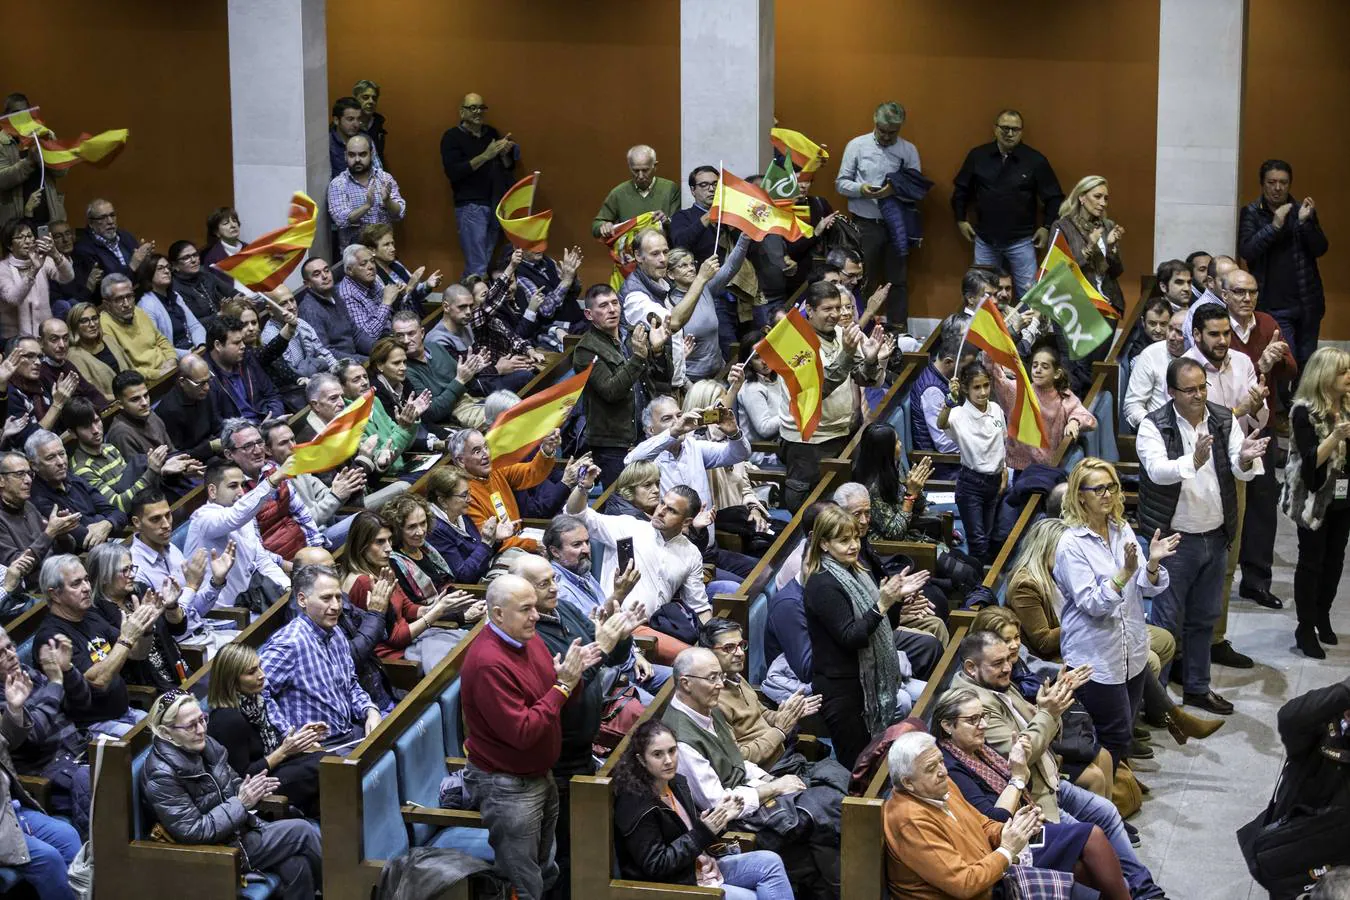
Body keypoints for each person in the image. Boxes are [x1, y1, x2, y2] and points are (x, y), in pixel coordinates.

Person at [953, 630, 1169, 899]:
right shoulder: (972, 704)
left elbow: (1037, 727)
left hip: (1049, 778)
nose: (1008, 667)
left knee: (1107, 812)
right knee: (1092, 838)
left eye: (1008, 659)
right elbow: (1020, 754)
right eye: (997, 663)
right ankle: (1131, 891)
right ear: (971, 668)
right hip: (1031, 796)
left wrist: (1045, 709)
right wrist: (1048, 713)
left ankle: (1145, 890)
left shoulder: (997, 684)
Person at [1006, 517, 1219, 749]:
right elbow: (1044, 640)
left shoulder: (1064, 570)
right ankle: (1141, 727)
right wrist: (1082, 618)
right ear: (1046, 549)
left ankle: (1143, 720)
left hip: (1106, 621)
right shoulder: (1026, 585)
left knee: (1160, 641)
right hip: (1059, 653)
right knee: (1144, 658)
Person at [1138, 353, 1268, 709]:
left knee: (1204, 619)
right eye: (1190, 389)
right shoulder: (1154, 425)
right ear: (1171, 392)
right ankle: (1156, 700)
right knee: (1166, 624)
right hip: (1174, 540)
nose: (1198, 395)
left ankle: (1197, 687)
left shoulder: (1224, 419)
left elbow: (1241, 468)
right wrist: (1191, 462)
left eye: (1202, 387)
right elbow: (1156, 470)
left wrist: (1245, 458)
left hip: (1215, 535)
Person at [460, 572, 600, 900]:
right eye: (526, 609)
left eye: (535, 608)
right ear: (497, 614)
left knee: (545, 870)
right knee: (523, 885)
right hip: (508, 787)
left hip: (540, 775)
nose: (536, 616)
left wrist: (573, 678)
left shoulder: (528, 639)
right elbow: (523, 732)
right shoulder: (488, 664)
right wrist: (563, 685)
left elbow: (553, 699)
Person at [930, 687, 1129, 900]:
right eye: (973, 720)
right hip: (1003, 843)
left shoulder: (978, 748)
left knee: (1085, 867)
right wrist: (1016, 778)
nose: (983, 725)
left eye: (984, 716)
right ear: (948, 725)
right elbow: (993, 818)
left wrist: (1021, 766)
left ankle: (1138, 889)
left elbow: (1027, 784)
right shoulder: (951, 768)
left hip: (1027, 822)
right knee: (1092, 835)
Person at [1051, 459, 1186, 767]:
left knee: (1123, 731)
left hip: (1131, 649)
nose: (1107, 494)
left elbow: (1146, 588)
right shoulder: (1071, 544)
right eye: (1098, 488)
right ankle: (1111, 799)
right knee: (1110, 736)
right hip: (1095, 657)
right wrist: (1123, 574)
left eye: (1111, 486)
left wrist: (1151, 565)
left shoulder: (1121, 528)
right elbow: (1092, 604)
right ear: (1080, 495)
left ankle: (1121, 788)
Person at [141, 690, 323, 900]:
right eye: (191, 725)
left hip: (238, 833)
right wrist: (241, 802)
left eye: (203, 720)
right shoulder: (160, 774)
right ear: (166, 732)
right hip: (214, 852)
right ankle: (343, 890)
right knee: (302, 830)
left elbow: (233, 782)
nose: (201, 730)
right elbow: (193, 830)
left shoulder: (206, 745)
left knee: (297, 866)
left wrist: (253, 789)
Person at [801, 504, 929, 768]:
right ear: (824, 544)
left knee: (877, 762)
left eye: (856, 538)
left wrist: (894, 601)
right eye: (844, 540)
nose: (854, 546)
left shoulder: (857, 572)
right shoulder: (822, 583)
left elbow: (885, 625)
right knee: (858, 767)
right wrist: (882, 604)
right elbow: (851, 637)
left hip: (866, 681)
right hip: (843, 690)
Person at [610, 719, 795, 899]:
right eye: (658, 754)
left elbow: (689, 832)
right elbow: (657, 865)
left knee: (770, 862)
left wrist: (720, 820)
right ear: (641, 760)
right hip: (673, 885)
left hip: (698, 866)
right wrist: (703, 832)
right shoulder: (635, 803)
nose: (668, 760)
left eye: (672, 751)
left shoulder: (675, 782)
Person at [881, 730, 1049, 900]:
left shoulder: (940, 786)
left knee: (1074, 878)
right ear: (908, 783)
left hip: (991, 881)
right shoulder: (910, 821)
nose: (943, 772)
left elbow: (982, 824)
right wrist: (1007, 850)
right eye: (931, 768)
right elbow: (965, 885)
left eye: (941, 761)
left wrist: (1013, 830)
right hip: (982, 890)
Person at [1218, 269, 1298, 612]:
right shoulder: (1217, 326)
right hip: (1225, 422)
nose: (1247, 298)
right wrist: (1258, 363)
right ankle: (1218, 579)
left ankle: (1257, 582)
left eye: (1252, 292)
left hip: (1259, 426)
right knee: (1223, 503)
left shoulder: (1267, 323)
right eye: (1239, 292)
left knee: (1263, 504)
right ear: (1224, 294)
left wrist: (1273, 362)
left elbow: (1291, 370)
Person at [780, 282, 888, 510]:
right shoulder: (792, 340)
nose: (835, 315)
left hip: (843, 434)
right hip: (808, 442)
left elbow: (863, 378)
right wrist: (847, 354)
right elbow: (818, 389)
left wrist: (870, 360)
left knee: (843, 508)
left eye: (838, 308)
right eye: (827, 309)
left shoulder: (842, 333)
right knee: (810, 510)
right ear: (809, 310)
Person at [260, 564, 381, 746]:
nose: (336, 606)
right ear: (302, 600)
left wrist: (370, 710)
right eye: (326, 598)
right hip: (319, 749)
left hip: (349, 733)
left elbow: (350, 684)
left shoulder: (336, 632)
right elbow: (258, 694)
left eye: (338, 597)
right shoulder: (288, 643)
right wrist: (289, 736)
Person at [33, 554, 153, 737]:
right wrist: (127, 638)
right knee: (160, 739)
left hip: (125, 712)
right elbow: (97, 681)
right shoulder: (52, 639)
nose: (87, 588)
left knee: (174, 727)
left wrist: (146, 628)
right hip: (91, 728)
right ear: (54, 594)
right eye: (76, 584)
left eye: (87, 580)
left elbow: (138, 653)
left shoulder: (90, 615)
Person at [1281, 347, 1350, 658]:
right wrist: (1335, 436)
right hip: (1312, 498)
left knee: (1335, 561)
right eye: (1343, 371)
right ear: (1325, 376)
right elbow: (1310, 464)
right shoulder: (1303, 411)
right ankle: (1304, 627)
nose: (1349, 377)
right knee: (1311, 563)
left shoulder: (1349, 406)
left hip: (1343, 497)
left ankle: (1323, 613)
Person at [342, 511, 474, 672]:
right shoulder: (362, 582)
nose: (389, 548)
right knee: (465, 659)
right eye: (380, 542)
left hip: (412, 642)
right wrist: (436, 613)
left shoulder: (383, 567)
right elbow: (395, 638)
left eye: (389, 540)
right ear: (361, 545)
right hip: (396, 660)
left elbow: (407, 607)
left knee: (471, 643)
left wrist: (435, 606)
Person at [951, 109, 1064, 297]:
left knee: (1030, 296)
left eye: (1015, 129)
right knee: (981, 295)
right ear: (995, 129)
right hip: (985, 239)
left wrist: (1046, 227)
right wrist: (960, 220)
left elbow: (1055, 197)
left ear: (1021, 132)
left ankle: (1026, 327)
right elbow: (961, 190)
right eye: (1005, 128)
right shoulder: (978, 156)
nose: (1009, 134)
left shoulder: (1035, 160)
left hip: (1022, 241)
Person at [205, 643, 324, 819]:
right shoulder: (228, 720)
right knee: (325, 766)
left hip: (270, 773)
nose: (262, 675)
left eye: (260, 667)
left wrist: (298, 740)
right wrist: (284, 751)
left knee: (328, 760)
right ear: (232, 680)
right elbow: (242, 776)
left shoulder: (254, 703)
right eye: (251, 672)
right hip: (254, 789)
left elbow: (268, 749)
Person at [575, 283, 675, 486]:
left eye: (614, 303)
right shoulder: (585, 349)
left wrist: (657, 352)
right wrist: (638, 357)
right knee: (621, 502)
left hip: (645, 433)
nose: (612, 309)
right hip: (614, 444)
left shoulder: (632, 335)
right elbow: (611, 391)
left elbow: (662, 378)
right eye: (603, 306)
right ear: (589, 314)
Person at [0, 655, 82, 900]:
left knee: (68, 837)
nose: (11, 655)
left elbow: (8, 741)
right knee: (49, 858)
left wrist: (14, 710)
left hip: (9, 811)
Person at [1238, 159, 1328, 374]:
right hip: (1274, 305)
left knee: (1308, 364)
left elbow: (1320, 248)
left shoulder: (1302, 210)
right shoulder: (1252, 212)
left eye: (1283, 183)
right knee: (1288, 362)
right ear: (1263, 184)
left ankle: (1301, 407)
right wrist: (1275, 226)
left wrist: (1305, 223)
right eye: (1272, 182)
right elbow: (1247, 251)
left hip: (1307, 303)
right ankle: (1285, 406)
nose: (1278, 188)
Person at [836, 101, 920, 323]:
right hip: (865, 224)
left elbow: (916, 188)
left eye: (892, 132)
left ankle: (898, 330)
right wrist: (861, 189)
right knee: (863, 279)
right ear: (874, 120)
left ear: (900, 127)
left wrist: (896, 189)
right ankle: (859, 327)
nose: (886, 136)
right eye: (882, 130)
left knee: (898, 280)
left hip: (897, 225)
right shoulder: (857, 146)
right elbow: (841, 184)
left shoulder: (907, 150)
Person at [701, 617, 821, 770]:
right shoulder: (712, 701)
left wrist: (788, 714)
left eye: (741, 645)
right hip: (766, 774)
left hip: (784, 757)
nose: (739, 653)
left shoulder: (735, 677)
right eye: (729, 647)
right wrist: (779, 731)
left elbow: (761, 713)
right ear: (708, 653)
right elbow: (738, 759)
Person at [129, 488, 238, 656]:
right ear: (137, 522)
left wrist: (216, 582)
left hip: (206, 633)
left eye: (168, 515)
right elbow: (171, 628)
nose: (166, 524)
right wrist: (192, 586)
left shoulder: (171, 549)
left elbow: (195, 610)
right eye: (156, 519)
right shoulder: (135, 569)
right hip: (186, 651)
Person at [185, 461, 291, 612]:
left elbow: (262, 561)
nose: (241, 492)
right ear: (212, 491)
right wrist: (272, 481)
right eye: (233, 486)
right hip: (219, 616)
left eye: (242, 485)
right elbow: (232, 518)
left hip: (252, 604)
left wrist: (287, 588)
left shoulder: (244, 518)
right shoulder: (202, 518)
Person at [86, 541, 188, 692]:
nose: (132, 575)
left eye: (132, 567)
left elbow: (178, 629)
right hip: (146, 686)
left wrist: (172, 606)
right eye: (125, 570)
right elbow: (131, 656)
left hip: (178, 670)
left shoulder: (140, 590)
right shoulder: (96, 614)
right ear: (105, 576)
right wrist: (144, 628)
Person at [938, 359, 1007, 564]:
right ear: (966, 390)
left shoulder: (995, 409)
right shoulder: (958, 414)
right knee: (978, 543)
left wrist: (1003, 471)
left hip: (994, 483)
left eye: (986, 385)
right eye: (977, 387)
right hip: (971, 485)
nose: (983, 392)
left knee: (988, 537)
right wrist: (950, 400)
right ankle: (977, 590)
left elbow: (1001, 442)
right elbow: (941, 423)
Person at [440, 92, 516, 276]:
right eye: (472, 108)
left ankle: (467, 300)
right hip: (471, 206)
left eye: (481, 108)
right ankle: (467, 303)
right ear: (462, 112)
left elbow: (507, 166)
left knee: (484, 261)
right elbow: (454, 172)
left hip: (495, 203)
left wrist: (505, 152)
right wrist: (486, 155)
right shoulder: (451, 137)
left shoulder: (491, 133)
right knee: (478, 265)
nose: (478, 112)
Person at [452, 426, 561, 553]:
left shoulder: (495, 470)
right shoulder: (463, 495)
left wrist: (546, 450)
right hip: (499, 551)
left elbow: (532, 472)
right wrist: (534, 545)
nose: (486, 454)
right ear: (461, 461)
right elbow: (487, 541)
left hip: (519, 537)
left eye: (486, 447)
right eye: (477, 451)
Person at [259, 417, 364, 548]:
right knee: (367, 522)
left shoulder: (297, 465)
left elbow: (326, 495)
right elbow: (304, 523)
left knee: (371, 518)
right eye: (283, 443)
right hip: (314, 540)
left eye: (292, 439)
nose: (293, 446)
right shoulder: (273, 482)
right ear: (268, 450)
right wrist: (336, 496)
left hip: (329, 522)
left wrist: (343, 488)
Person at [996, 342, 1096, 471]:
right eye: (1035, 365)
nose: (1038, 370)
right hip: (1022, 470)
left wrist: (1074, 422)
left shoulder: (1064, 396)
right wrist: (989, 350)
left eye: (1044, 366)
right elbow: (997, 378)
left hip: (1051, 468)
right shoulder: (1019, 391)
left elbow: (1089, 419)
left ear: (1057, 373)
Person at [664, 236, 751, 380]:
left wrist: (745, 237)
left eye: (692, 263)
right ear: (671, 274)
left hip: (719, 372)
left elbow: (731, 267)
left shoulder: (706, 288)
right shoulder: (668, 302)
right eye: (683, 265)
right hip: (692, 379)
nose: (691, 268)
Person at [26, 428, 125, 551]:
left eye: (62, 454)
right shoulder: (37, 498)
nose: (61, 462)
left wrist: (106, 524)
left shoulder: (73, 478)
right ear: (34, 465)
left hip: (111, 540)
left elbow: (118, 513)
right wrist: (103, 519)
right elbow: (82, 538)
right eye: (50, 458)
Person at [390, 309, 483, 427]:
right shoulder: (404, 370)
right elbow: (432, 412)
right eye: (400, 336)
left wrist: (473, 370)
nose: (406, 340)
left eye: (411, 333)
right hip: (453, 415)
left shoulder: (435, 347)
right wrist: (460, 380)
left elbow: (466, 383)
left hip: (470, 400)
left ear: (422, 333)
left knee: (509, 404)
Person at [423, 465, 511, 584]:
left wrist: (495, 539)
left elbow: (480, 551)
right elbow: (464, 576)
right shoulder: (435, 529)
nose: (470, 499)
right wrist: (486, 543)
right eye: (464, 495)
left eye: (469, 493)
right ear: (443, 501)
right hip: (474, 589)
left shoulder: (458, 512)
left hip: (488, 570)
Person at [0, 451, 78, 580]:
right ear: (1, 480)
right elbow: (18, 568)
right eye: (20, 474)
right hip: (33, 592)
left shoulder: (28, 505)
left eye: (30, 474)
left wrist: (61, 535)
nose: (29, 480)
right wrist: (50, 533)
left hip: (58, 574)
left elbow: (66, 550)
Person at [1052, 176, 1125, 314]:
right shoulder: (1063, 227)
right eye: (1097, 197)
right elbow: (1058, 271)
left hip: (1108, 302)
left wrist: (1111, 247)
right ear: (1082, 197)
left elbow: (1116, 272)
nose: (1103, 203)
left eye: (1105, 198)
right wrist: (1089, 246)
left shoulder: (1108, 225)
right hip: (1076, 304)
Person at [910, 315, 966, 476]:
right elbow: (944, 445)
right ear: (949, 362)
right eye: (963, 366)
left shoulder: (943, 376)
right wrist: (976, 443)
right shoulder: (932, 391)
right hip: (944, 467)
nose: (965, 371)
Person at [328, 134, 405, 251]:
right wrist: (366, 206)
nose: (357, 160)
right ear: (345, 156)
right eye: (352, 155)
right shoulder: (338, 184)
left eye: (362, 154)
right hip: (355, 257)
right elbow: (341, 219)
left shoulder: (384, 178)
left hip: (383, 253)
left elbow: (399, 213)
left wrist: (388, 201)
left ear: (371, 154)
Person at [0, 217, 73, 338]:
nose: (27, 241)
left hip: (44, 334)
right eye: (20, 237)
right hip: (14, 339)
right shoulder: (3, 268)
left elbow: (68, 277)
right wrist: (34, 270)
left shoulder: (43, 260)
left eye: (29, 236)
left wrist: (55, 253)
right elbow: (14, 299)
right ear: (9, 245)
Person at [204, 315, 284, 424]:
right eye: (236, 343)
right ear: (218, 345)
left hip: (266, 421)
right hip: (240, 435)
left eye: (242, 341)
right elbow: (217, 424)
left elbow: (272, 394)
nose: (243, 346)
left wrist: (273, 417)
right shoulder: (206, 376)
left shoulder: (247, 357)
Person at [592, 145, 681, 239]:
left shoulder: (670, 188)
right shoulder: (619, 193)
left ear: (655, 166)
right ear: (629, 167)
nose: (641, 176)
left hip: (662, 249)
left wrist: (666, 220)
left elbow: (679, 224)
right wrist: (604, 226)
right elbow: (596, 226)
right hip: (631, 250)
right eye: (635, 171)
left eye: (645, 170)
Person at [337, 243, 413, 354]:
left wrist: (399, 297)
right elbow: (368, 336)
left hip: (393, 333)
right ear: (349, 270)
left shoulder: (374, 279)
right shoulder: (347, 295)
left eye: (372, 261)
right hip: (377, 348)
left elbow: (393, 313)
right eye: (363, 264)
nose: (371, 267)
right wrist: (386, 302)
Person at [97, 273, 175, 379]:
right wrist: (157, 374)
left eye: (129, 296)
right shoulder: (104, 327)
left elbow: (161, 340)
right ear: (106, 304)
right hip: (147, 382)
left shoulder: (138, 311)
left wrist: (171, 360)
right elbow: (125, 368)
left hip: (168, 368)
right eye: (119, 299)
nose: (126, 304)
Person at [1124, 307, 1188, 430]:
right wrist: (1153, 426)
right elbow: (1132, 405)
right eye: (1170, 329)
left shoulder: (1201, 359)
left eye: (1179, 332)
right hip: (1157, 432)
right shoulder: (1150, 355)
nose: (1170, 337)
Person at [260, 285, 338, 383]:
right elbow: (294, 374)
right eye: (284, 303)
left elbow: (323, 353)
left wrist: (338, 370)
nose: (292, 307)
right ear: (270, 310)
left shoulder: (300, 323)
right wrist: (317, 363)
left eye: (292, 300)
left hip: (320, 378)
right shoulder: (270, 337)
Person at [154, 354, 223, 462]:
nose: (207, 387)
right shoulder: (168, 411)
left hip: (215, 447)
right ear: (182, 382)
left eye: (208, 380)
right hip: (194, 462)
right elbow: (177, 455)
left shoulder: (204, 391)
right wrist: (210, 447)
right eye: (200, 383)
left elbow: (218, 425)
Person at [360, 223, 443, 308]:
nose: (393, 249)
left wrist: (428, 285)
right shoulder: (373, 276)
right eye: (386, 245)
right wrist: (409, 288)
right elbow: (390, 309)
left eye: (392, 243)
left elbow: (415, 295)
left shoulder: (396, 264)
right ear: (372, 250)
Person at [135, 253, 204, 354]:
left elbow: (194, 325)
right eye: (160, 268)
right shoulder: (146, 305)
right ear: (148, 273)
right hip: (177, 358)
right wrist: (189, 354)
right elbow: (157, 346)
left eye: (168, 267)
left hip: (195, 349)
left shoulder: (174, 295)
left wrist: (201, 345)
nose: (167, 271)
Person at [297, 257, 364, 360]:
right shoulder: (309, 309)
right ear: (308, 284)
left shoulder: (335, 294)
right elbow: (325, 352)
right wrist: (362, 360)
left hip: (355, 355)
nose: (324, 276)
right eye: (317, 274)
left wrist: (378, 349)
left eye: (326, 270)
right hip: (340, 366)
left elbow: (356, 333)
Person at [71, 199, 152, 282]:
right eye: (102, 217)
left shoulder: (126, 236)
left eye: (112, 215)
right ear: (91, 223)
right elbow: (107, 286)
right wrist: (132, 266)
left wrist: (145, 259)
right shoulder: (83, 250)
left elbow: (140, 273)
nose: (110, 221)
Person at [38, 316, 110, 409]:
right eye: (54, 339)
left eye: (65, 338)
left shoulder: (67, 364)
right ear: (40, 342)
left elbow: (91, 392)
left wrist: (106, 410)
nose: (62, 345)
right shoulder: (40, 372)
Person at [167, 240, 236, 325]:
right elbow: (188, 324)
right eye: (186, 258)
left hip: (224, 325)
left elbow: (232, 292)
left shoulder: (206, 276)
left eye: (195, 255)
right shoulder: (173, 288)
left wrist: (242, 300)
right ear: (175, 265)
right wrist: (219, 315)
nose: (193, 260)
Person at [65, 302, 126, 395]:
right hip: (112, 406)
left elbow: (131, 369)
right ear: (75, 326)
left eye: (94, 318)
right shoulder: (74, 356)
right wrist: (125, 398)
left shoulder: (108, 339)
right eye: (84, 321)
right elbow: (91, 395)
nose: (92, 324)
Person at [669, 165, 722, 263]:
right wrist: (708, 216)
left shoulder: (727, 216)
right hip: (699, 274)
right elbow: (680, 245)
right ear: (693, 190)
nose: (711, 189)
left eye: (715, 184)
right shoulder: (682, 216)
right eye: (704, 185)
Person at [329, 96, 378, 179]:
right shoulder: (327, 143)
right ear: (336, 120)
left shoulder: (366, 140)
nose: (356, 124)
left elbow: (378, 171)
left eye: (358, 119)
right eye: (350, 119)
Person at [1123, 297, 1173, 365]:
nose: (1158, 330)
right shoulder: (1138, 355)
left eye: (1163, 324)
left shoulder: (1178, 344)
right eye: (1152, 324)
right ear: (1143, 322)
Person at [352, 80, 386, 160]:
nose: (371, 101)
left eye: (374, 98)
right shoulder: (347, 125)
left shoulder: (378, 125)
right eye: (365, 97)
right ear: (355, 99)